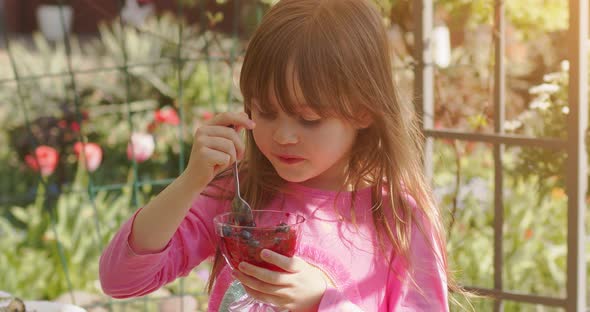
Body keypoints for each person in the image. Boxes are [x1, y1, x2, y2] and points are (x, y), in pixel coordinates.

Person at [99, 0, 452, 310]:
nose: (283, 136)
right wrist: (191, 181)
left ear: (363, 111)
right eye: (265, 112)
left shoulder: (399, 219)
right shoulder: (236, 198)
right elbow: (121, 281)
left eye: (309, 119)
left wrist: (324, 302)